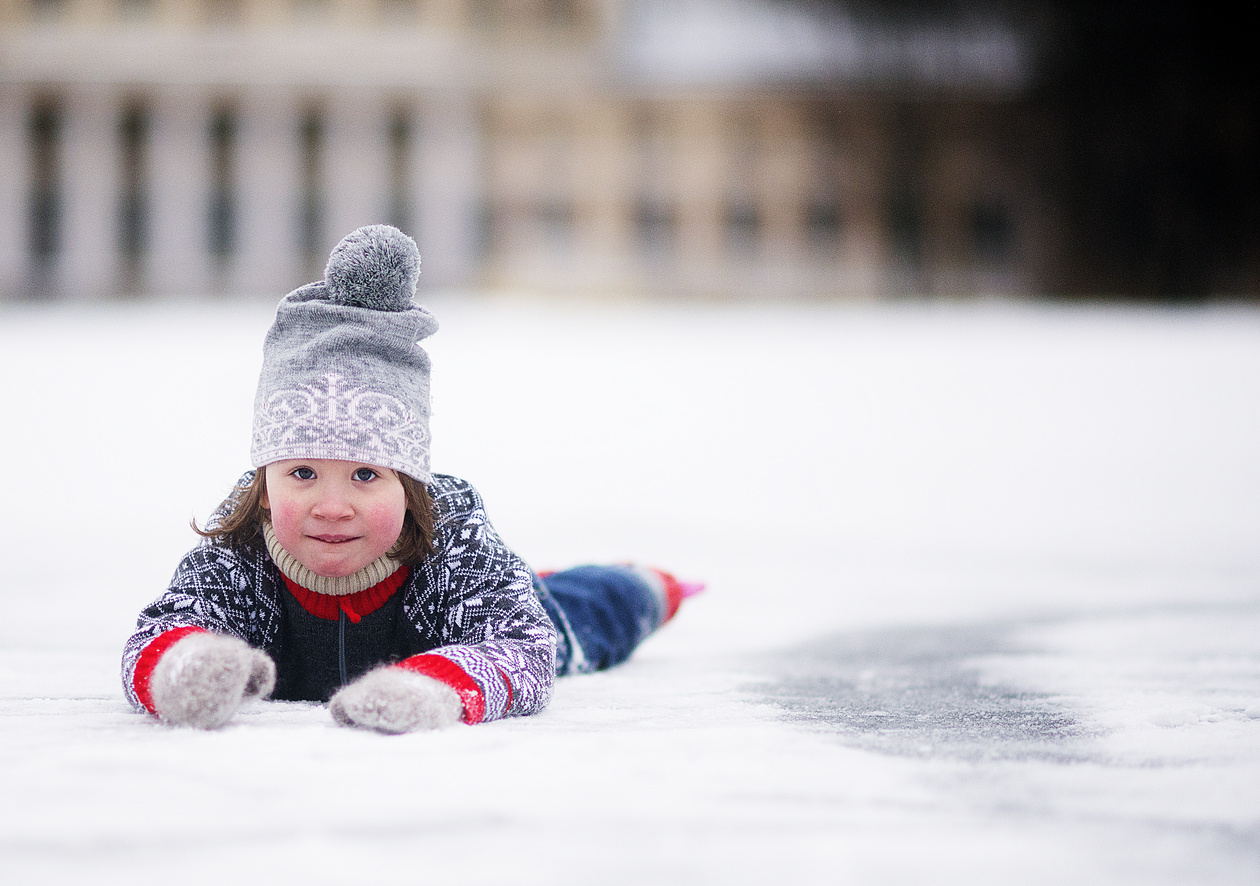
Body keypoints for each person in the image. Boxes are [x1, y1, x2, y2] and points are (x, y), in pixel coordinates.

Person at [121, 224, 701, 733]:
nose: (331, 505)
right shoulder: (239, 550)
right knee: (524, 590)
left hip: (526, 615)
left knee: (578, 609)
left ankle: (645, 584)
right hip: (474, 599)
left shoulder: (452, 543)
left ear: (410, 484)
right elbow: (161, 630)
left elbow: (525, 651)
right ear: (265, 480)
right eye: (301, 472)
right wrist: (186, 666)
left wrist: (433, 687)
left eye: (366, 474)